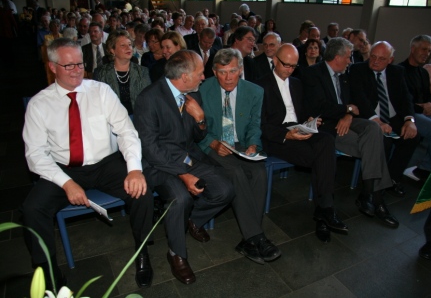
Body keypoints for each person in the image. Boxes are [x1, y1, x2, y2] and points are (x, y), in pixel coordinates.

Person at [21, 38, 154, 291]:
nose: (76, 70)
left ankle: (142, 252)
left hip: (106, 164)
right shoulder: (40, 104)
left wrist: (134, 168)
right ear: (52, 66)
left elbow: (126, 131)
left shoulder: (101, 91)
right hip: (63, 169)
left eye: (79, 64)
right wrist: (67, 182)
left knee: (142, 192)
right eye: (68, 66)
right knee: (32, 209)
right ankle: (48, 274)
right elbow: (35, 155)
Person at [133, 50, 234, 285]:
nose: (203, 77)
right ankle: (176, 253)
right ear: (185, 76)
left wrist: (200, 119)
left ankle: (192, 221)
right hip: (160, 164)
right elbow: (151, 149)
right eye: (200, 73)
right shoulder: (149, 99)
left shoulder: (192, 96)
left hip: (188, 156)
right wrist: (183, 174)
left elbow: (198, 137)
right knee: (180, 198)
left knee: (225, 189)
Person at [302, 37, 398, 228]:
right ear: (337, 57)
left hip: (347, 120)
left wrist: (348, 114)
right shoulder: (312, 73)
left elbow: (356, 104)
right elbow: (320, 107)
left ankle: (368, 194)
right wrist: (347, 110)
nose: (350, 61)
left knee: (373, 128)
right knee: (373, 144)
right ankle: (375, 198)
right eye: (348, 57)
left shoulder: (345, 75)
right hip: (328, 127)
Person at [256, 44, 347, 243]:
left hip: (298, 128)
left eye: (293, 67)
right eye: (286, 65)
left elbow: (302, 111)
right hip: (277, 137)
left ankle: (324, 211)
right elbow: (260, 125)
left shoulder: (296, 83)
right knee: (322, 158)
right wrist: (287, 135)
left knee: (327, 140)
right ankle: (324, 212)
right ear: (275, 61)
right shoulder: (260, 85)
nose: (289, 70)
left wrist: (310, 120)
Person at [199, 48, 281, 263]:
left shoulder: (254, 91)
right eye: (222, 72)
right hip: (214, 145)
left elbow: (254, 124)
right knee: (235, 172)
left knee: (259, 173)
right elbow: (196, 129)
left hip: (242, 145)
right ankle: (257, 237)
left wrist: (253, 143)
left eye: (233, 71)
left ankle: (250, 240)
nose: (228, 78)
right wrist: (213, 143)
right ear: (214, 72)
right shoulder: (202, 90)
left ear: (241, 69)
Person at [350, 41, 420, 197]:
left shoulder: (397, 72)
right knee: (384, 141)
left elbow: (406, 98)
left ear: (390, 59)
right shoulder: (358, 69)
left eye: (381, 59)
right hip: (369, 117)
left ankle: (392, 178)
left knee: (412, 137)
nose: (375, 61)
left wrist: (410, 120)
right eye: (373, 56)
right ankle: (374, 188)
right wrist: (377, 121)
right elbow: (360, 99)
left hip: (393, 117)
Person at [399, 35, 431, 180]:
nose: (426, 53)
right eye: (424, 49)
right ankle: (428, 170)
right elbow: (403, 101)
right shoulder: (400, 70)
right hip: (409, 113)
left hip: (423, 111)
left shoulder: (422, 72)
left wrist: (430, 105)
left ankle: (430, 164)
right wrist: (423, 107)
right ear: (413, 48)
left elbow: (427, 96)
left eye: (429, 51)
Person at [94, 30, 151, 115]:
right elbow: (98, 102)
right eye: (123, 45)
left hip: (138, 120)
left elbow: (148, 101)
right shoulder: (101, 73)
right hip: (112, 120)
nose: (128, 48)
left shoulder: (142, 72)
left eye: (129, 45)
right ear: (112, 50)